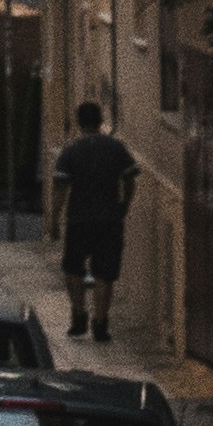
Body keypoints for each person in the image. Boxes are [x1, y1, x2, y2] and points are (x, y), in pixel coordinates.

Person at [51, 102, 140, 343]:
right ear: (100, 121)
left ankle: (79, 314)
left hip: (78, 219)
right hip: (109, 219)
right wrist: (124, 206)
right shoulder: (115, 147)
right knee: (104, 274)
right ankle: (100, 321)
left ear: (79, 122)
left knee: (73, 269)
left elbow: (60, 187)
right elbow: (130, 180)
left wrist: (54, 219)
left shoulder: (70, 151)